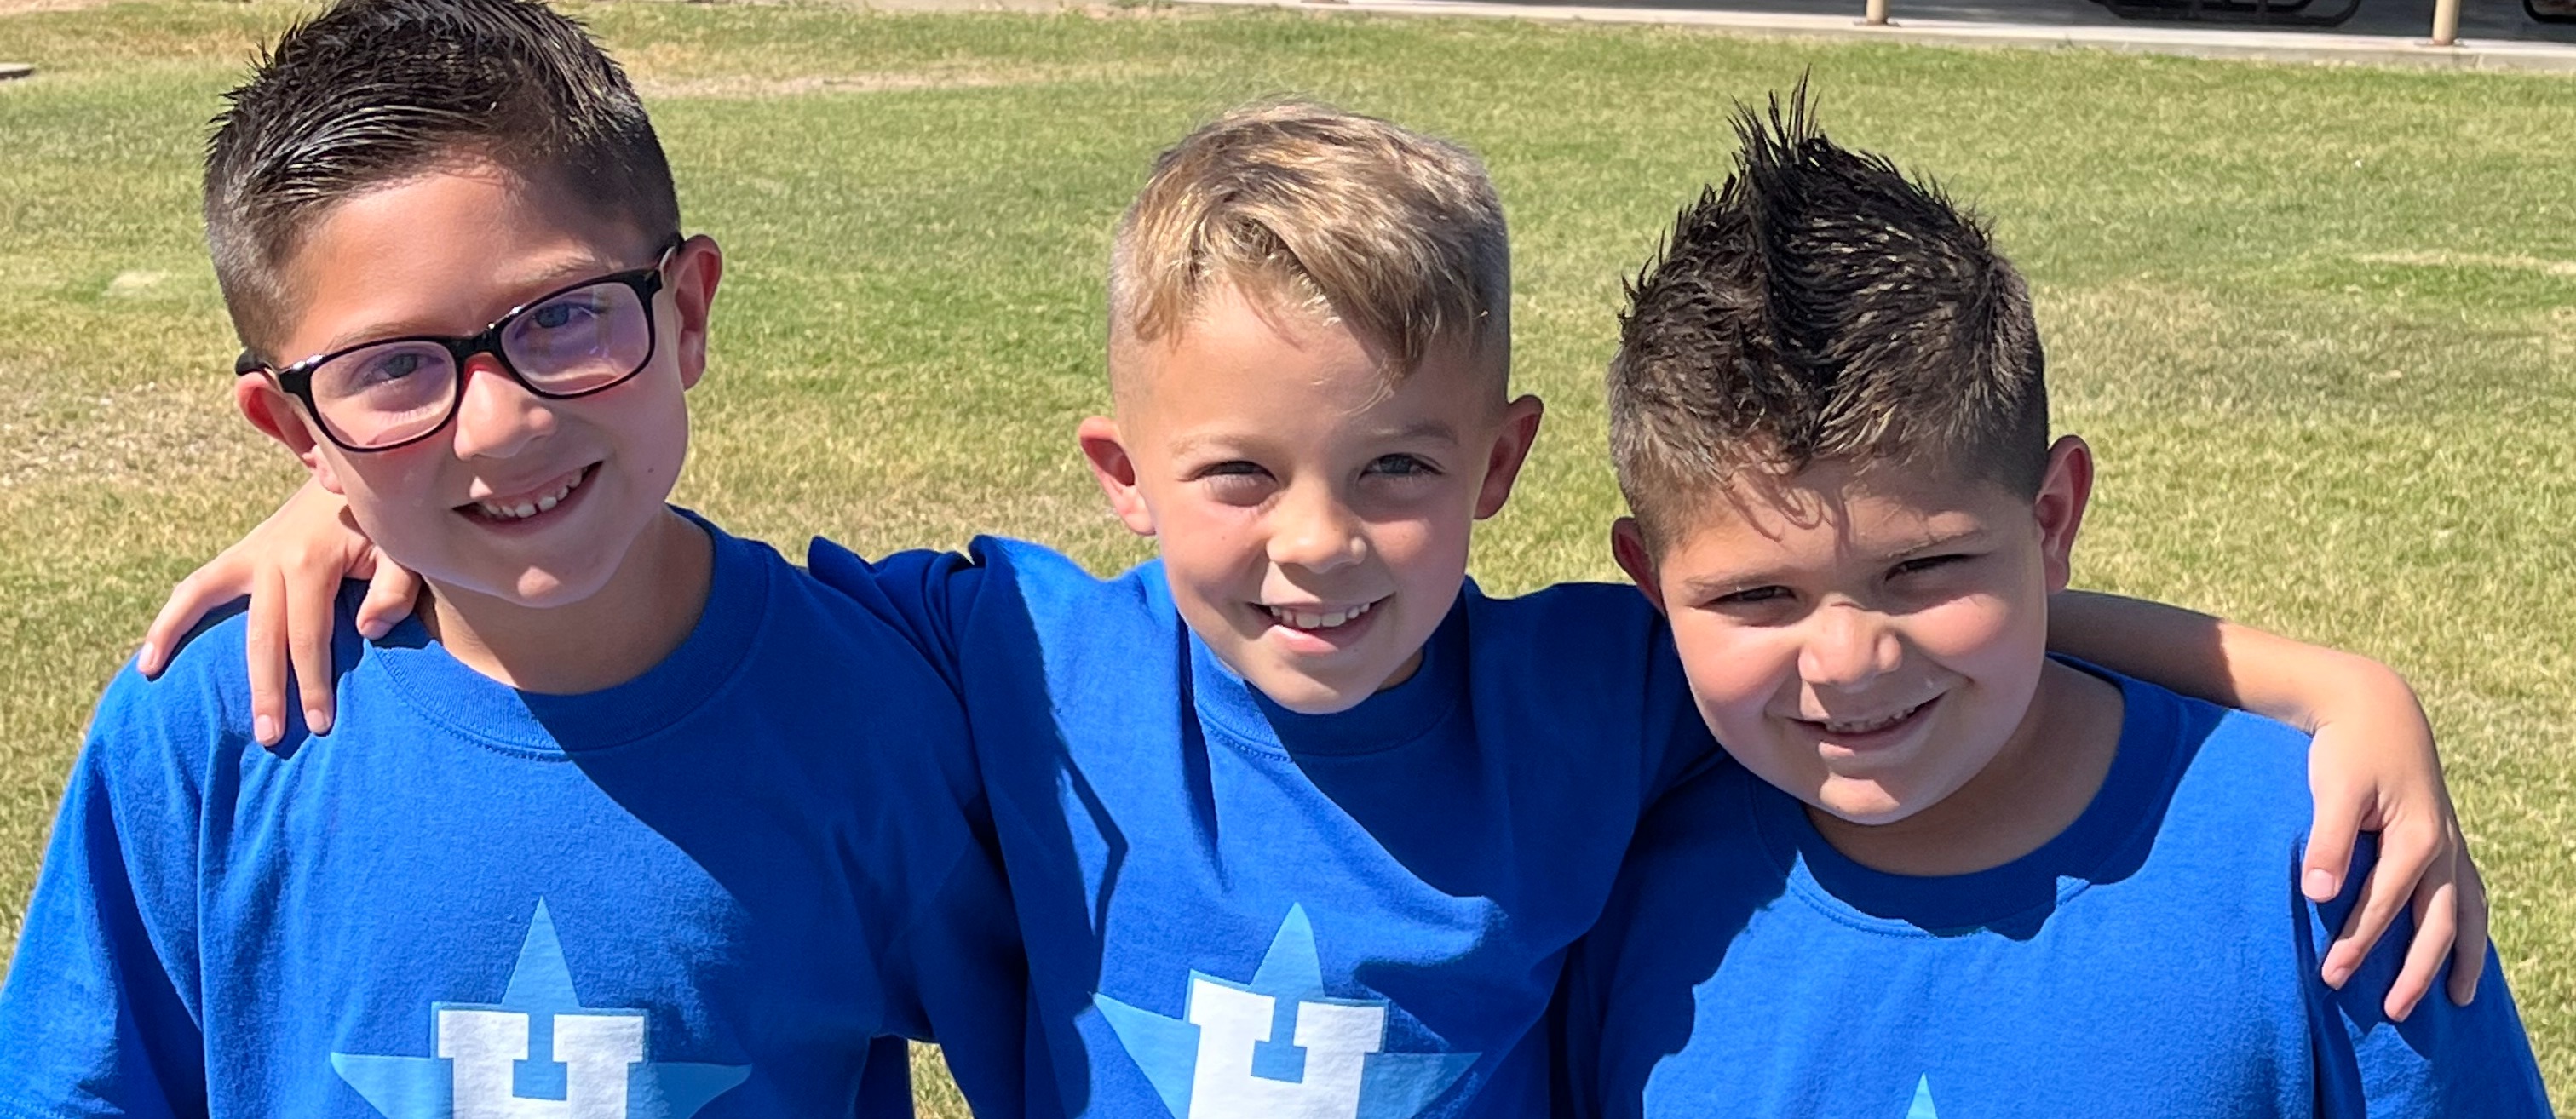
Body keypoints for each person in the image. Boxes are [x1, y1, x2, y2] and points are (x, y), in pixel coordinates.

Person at [141, 100, 2485, 1119]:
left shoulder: (1594, 683)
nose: (1316, 543)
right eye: (1235, 475)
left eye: (1394, 474)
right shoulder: (1011, 656)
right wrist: (365, 515)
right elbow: (617, 571)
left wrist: (2308, 676)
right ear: (1117, 477)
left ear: (1502, 472)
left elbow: (1859, 610)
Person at [0, 0, 1027, 1114]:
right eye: (392, 367)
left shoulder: (871, 717)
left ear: (686, 310)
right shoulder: (211, 730)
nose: (499, 424)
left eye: (564, 315)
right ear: (298, 431)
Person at [1555, 94, 2550, 1117]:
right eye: (1759, 595)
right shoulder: (1603, 884)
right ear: (1652, 584)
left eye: (1925, 570)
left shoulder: (2327, 855)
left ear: (2053, 518)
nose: (1847, 660)